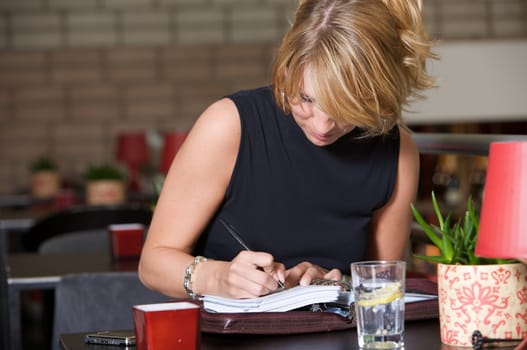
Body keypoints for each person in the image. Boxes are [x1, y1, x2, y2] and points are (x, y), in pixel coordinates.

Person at [139, 0, 436, 300]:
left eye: (346, 108)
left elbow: (384, 289)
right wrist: (218, 277)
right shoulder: (229, 125)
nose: (322, 126)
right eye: (306, 98)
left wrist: (341, 284)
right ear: (287, 68)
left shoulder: (397, 153)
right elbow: (153, 264)